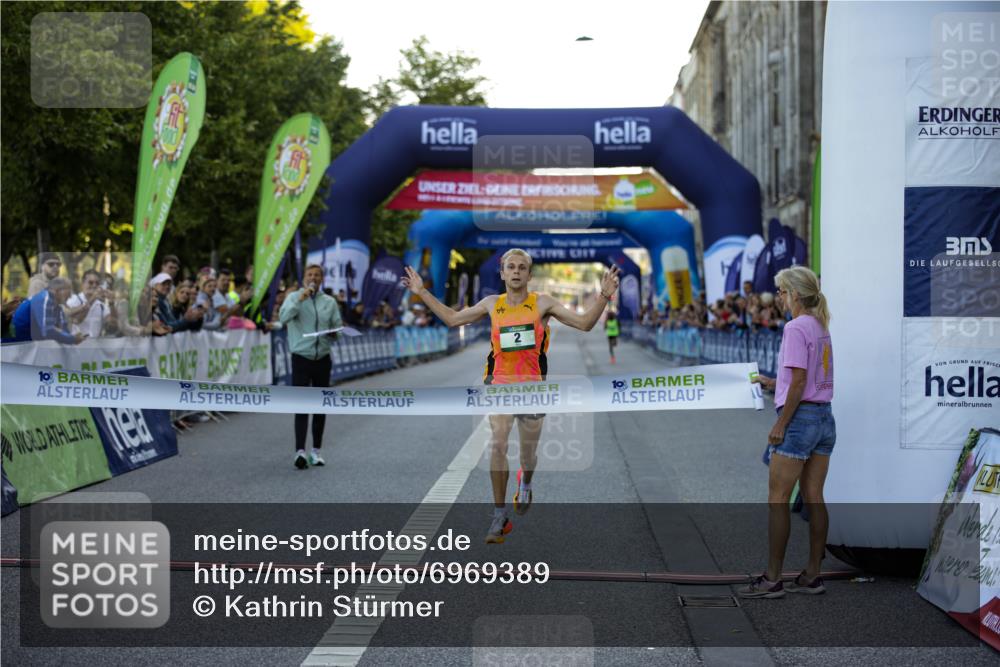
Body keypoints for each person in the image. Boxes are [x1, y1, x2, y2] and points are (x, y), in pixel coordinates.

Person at [402, 249, 620, 544]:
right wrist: (422, 292)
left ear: (529, 275)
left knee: (528, 457)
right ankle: (499, 515)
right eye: (510, 267)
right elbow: (453, 319)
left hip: (533, 390)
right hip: (500, 386)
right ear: (502, 273)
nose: (516, 271)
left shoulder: (543, 303)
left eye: (522, 267)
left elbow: (583, 324)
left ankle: (526, 483)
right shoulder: (492, 304)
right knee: (498, 444)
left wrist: (604, 297)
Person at [740, 266, 835, 599]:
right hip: (824, 417)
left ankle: (772, 578)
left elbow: (797, 382)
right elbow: (803, 378)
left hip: (799, 420)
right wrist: (772, 382)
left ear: (794, 293)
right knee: (814, 497)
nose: (778, 297)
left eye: (781, 291)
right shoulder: (819, 325)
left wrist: (780, 423)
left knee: (777, 500)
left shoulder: (795, 327)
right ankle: (812, 573)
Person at [279, 264, 343, 469]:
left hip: (322, 358)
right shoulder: (294, 297)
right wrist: (300, 299)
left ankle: (316, 451)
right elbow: (283, 318)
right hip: (301, 357)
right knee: (301, 405)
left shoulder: (330, 302)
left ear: (322, 279)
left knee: (320, 406)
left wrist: (335, 333)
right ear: (304, 278)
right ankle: (299, 451)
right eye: (310, 275)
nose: (313, 278)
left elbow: (338, 328)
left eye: (317, 275)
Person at [12, 277, 87, 344]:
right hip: (13, 344)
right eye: (68, 291)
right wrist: (72, 339)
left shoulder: (58, 307)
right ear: (56, 291)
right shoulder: (45, 298)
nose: (70, 296)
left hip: (27, 344)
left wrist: (74, 337)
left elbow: (64, 330)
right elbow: (48, 331)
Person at [65, 269, 112, 339]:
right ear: (83, 283)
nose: (94, 285)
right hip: (76, 346)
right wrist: (93, 299)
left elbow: (111, 324)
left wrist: (112, 301)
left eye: (97, 283)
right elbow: (77, 320)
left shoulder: (101, 306)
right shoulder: (73, 300)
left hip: (94, 347)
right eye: (91, 282)